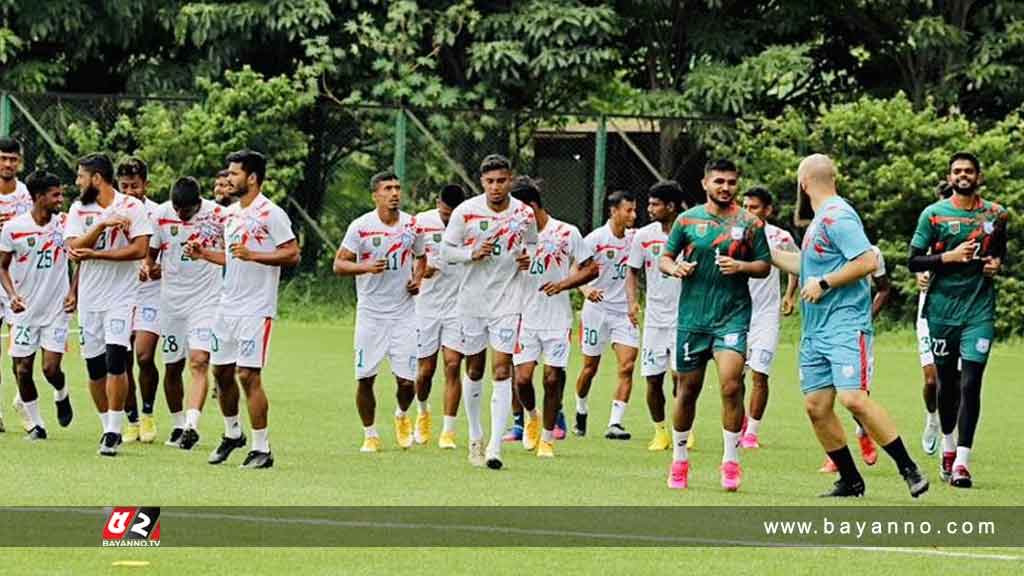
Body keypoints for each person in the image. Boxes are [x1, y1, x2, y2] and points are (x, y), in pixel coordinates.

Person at [771, 153, 928, 498]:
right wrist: (768, 253)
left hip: (844, 325)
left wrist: (825, 283)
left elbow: (867, 260)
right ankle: (850, 480)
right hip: (816, 331)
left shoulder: (838, 216)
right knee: (816, 406)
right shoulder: (819, 221)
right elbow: (806, 265)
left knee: (853, 398)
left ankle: (909, 468)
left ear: (803, 183)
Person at [659, 159, 771, 491]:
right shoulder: (687, 220)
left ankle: (730, 460)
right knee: (687, 390)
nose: (725, 187)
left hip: (732, 316)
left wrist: (741, 266)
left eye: (731, 182)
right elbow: (665, 257)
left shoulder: (750, 223)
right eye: (719, 181)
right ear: (705, 183)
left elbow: (764, 265)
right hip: (693, 320)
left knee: (731, 384)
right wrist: (673, 269)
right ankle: (680, 459)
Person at [194, 149, 300, 469]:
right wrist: (204, 254)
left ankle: (262, 449)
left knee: (247, 374)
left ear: (252, 178)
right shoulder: (232, 215)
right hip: (227, 306)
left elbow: (292, 253)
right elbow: (233, 258)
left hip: (256, 308)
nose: (228, 178)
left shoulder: (272, 213)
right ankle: (232, 434)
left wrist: (255, 255)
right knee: (221, 372)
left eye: (235, 173)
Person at [908, 151, 1006, 488]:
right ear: (950, 177)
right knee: (946, 385)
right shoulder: (933, 215)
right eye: (956, 171)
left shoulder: (996, 213)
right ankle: (947, 446)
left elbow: (999, 252)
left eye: (968, 171)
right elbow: (913, 260)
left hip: (978, 310)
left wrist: (996, 265)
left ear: (978, 176)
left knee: (971, 382)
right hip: (941, 311)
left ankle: (963, 462)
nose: (962, 175)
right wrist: (946, 257)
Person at [442, 154, 537, 470]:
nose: (496, 187)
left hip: (507, 302)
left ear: (511, 180)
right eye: (490, 181)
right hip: (471, 302)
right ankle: (476, 436)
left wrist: (527, 259)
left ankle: (496, 446)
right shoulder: (466, 212)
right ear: (481, 182)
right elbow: (446, 251)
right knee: (474, 369)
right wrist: (470, 253)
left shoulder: (523, 214)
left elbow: (533, 245)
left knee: (501, 369)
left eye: (501, 180)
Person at [65, 153, 153, 456]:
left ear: (97, 178)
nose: (77, 182)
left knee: (117, 358)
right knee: (94, 368)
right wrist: (102, 226)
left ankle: (115, 429)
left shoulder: (132, 206)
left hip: (121, 297)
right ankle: (106, 426)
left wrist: (98, 254)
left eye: (81, 176)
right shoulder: (79, 209)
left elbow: (140, 249)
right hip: (90, 299)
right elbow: (73, 248)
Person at [334, 170, 420, 453]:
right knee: (365, 377)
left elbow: (422, 257)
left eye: (397, 188)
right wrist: (366, 267)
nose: (394, 193)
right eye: (387, 189)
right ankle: (370, 434)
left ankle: (401, 414)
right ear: (375, 195)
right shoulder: (361, 227)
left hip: (404, 313)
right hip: (371, 314)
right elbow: (340, 264)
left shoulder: (411, 225)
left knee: (408, 381)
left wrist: (417, 279)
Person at [511, 176, 597, 457]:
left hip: (557, 320)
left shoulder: (566, 232)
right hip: (523, 317)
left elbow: (591, 269)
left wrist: (563, 284)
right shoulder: (514, 235)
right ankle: (532, 416)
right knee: (522, 380)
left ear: (532, 206)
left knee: (551, 378)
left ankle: (547, 438)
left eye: (519, 210)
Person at [147, 176, 225, 449]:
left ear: (198, 203)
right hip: (171, 302)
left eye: (187, 211)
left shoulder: (218, 215)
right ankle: (178, 424)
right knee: (172, 366)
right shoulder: (161, 215)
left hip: (206, 300)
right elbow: (152, 253)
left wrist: (206, 254)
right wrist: (148, 267)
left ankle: (192, 424)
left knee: (200, 360)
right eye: (177, 210)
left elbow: (234, 256)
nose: (181, 215)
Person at [0, 170, 77, 439]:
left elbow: (80, 258)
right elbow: (2, 266)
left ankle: (61, 392)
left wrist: (74, 292)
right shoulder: (14, 228)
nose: (60, 199)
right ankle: (36, 424)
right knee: (22, 368)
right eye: (55, 195)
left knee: (50, 369)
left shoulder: (65, 224)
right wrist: (12, 295)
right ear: (38, 197)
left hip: (56, 309)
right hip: (24, 310)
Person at [818, 244, 891, 473]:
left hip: (855, 332)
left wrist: (866, 318)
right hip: (824, 330)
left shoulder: (871, 253)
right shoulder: (820, 250)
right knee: (822, 397)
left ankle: (862, 430)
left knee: (855, 395)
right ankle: (836, 456)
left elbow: (884, 289)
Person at [626, 181, 687, 451]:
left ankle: (683, 427)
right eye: (649, 204)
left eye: (655, 204)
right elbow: (632, 271)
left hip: (684, 317)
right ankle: (660, 431)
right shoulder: (643, 236)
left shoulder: (690, 233)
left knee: (680, 377)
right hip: (654, 320)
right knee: (652, 378)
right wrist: (632, 302)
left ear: (671, 207)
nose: (649, 209)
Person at [574, 190, 638, 440]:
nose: (633, 215)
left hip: (624, 312)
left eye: (634, 210)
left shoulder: (635, 238)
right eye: (628, 210)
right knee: (590, 368)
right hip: (596, 311)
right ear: (614, 211)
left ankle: (615, 423)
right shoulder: (596, 239)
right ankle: (581, 409)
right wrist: (585, 289)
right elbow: (575, 268)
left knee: (628, 365)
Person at [737, 186, 798, 449]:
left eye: (754, 207)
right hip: (737, 314)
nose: (748, 212)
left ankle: (752, 431)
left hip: (765, 316)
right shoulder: (734, 233)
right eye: (746, 207)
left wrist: (789, 294)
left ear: (767, 210)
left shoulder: (779, 237)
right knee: (733, 376)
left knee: (760, 374)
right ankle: (737, 421)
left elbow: (797, 263)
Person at [411, 184, 467, 448]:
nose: (448, 219)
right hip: (426, 306)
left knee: (453, 364)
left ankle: (448, 430)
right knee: (425, 370)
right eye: (445, 214)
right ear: (437, 204)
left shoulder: (470, 224)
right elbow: (405, 255)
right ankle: (422, 412)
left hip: (458, 306)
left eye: (452, 215)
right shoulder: (421, 222)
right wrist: (422, 269)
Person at [116, 157, 162, 444]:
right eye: (124, 186)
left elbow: (167, 254)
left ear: (146, 184)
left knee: (144, 356)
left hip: (151, 294)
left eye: (135, 185)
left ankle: (147, 414)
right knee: (121, 361)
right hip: (120, 294)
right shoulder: (112, 211)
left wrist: (156, 268)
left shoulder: (159, 213)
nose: (130, 191)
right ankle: (130, 419)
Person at [917, 181, 955, 455]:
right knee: (932, 380)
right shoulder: (927, 228)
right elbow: (915, 260)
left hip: (962, 314)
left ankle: (949, 440)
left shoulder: (974, 232)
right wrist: (920, 272)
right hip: (929, 314)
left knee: (955, 381)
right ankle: (932, 418)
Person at [0, 137, 34, 433]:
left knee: (20, 350)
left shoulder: (26, 196)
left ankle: (23, 400)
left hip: (18, 279)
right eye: (3, 158)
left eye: (13, 159)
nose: (8, 164)